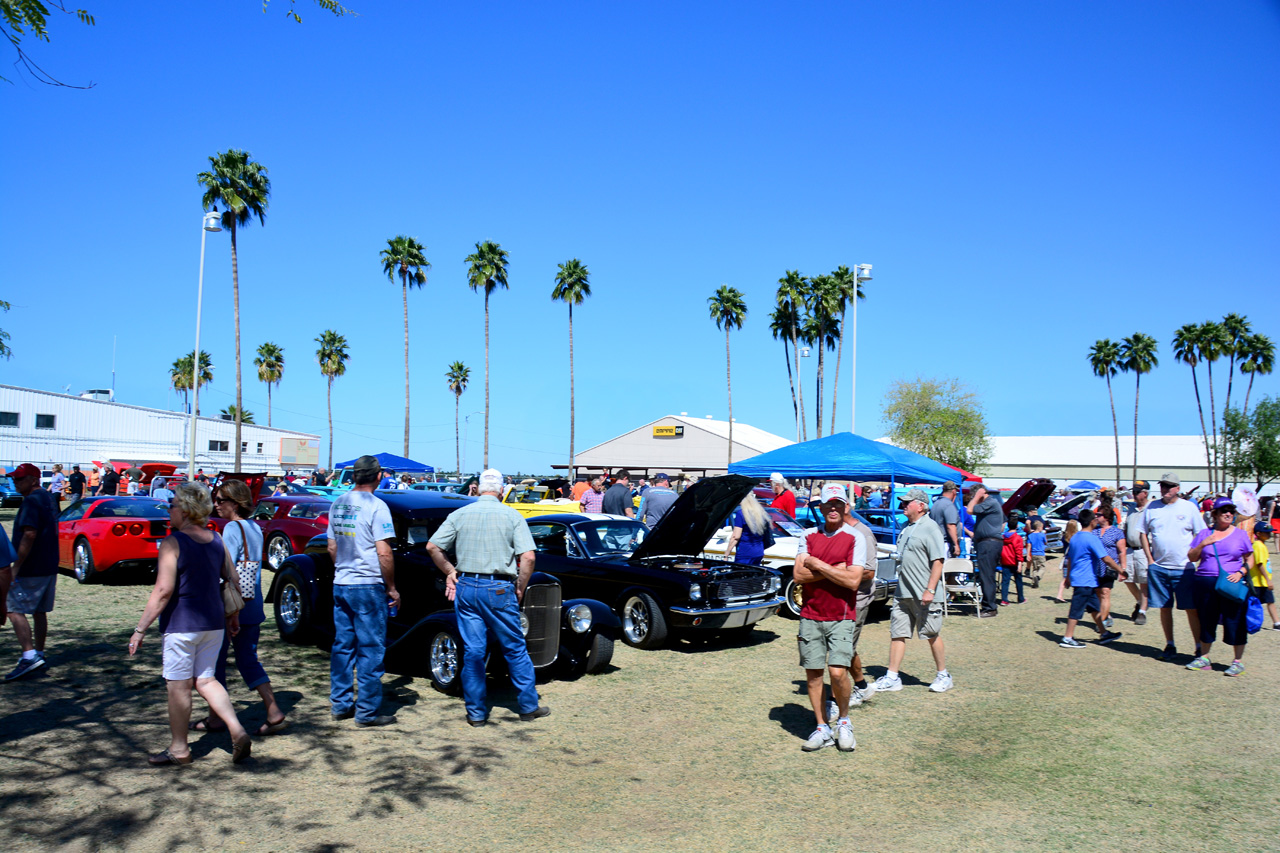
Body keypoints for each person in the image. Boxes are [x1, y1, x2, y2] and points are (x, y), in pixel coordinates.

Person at [126, 482, 252, 766]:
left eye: (172, 505)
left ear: (184, 509)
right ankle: (237, 729)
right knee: (207, 680)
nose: (169, 510)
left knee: (179, 687)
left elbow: (163, 591)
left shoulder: (173, 542)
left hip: (181, 626)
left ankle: (179, 749)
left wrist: (140, 629)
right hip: (213, 624)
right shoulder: (216, 540)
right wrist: (233, 617)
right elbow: (232, 579)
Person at [426, 468, 549, 726]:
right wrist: (521, 587)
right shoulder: (512, 515)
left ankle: (476, 713)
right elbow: (528, 557)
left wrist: (450, 571)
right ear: (502, 490)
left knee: (474, 651)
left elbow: (433, 546)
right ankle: (528, 706)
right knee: (515, 648)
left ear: (478, 489)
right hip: (499, 587)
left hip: (467, 585)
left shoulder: (459, 514)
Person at [192, 479, 287, 736]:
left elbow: (228, 570)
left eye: (221, 500)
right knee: (248, 660)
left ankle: (216, 717)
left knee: (216, 663)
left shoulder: (233, 528)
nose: (216, 505)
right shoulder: (254, 527)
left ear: (235, 503)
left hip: (232, 608)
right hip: (252, 605)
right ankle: (273, 709)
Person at [326, 455, 399, 727]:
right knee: (370, 649)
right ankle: (367, 712)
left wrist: (344, 569)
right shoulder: (377, 506)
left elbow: (332, 547)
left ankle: (340, 704)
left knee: (342, 646)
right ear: (378, 476)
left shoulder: (338, 503)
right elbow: (384, 552)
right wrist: (391, 587)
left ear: (354, 476)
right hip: (367, 585)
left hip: (342, 583)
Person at [792, 484, 862, 752]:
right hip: (810, 615)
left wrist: (817, 564)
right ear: (820, 508)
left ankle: (844, 722)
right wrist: (835, 568)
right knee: (813, 675)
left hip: (842, 615)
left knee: (837, 671)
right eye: (828, 504)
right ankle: (822, 727)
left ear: (846, 508)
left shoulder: (853, 537)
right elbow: (798, 576)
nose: (833, 508)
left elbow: (854, 580)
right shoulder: (808, 535)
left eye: (838, 504)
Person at [872, 489, 951, 694]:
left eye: (908, 502)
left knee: (931, 633)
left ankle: (943, 675)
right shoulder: (907, 527)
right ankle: (892, 677)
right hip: (903, 591)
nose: (903, 505)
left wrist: (930, 590)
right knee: (897, 633)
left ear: (921, 506)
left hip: (924, 593)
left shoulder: (930, 527)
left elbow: (938, 562)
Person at [1139, 473, 1206, 661]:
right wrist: (1150, 560)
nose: (1165, 490)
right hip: (1159, 568)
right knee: (1164, 607)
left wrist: (1197, 559)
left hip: (1184, 568)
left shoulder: (1189, 507)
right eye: (1162, 486)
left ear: (1177, 488)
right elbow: (1143, 533)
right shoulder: (1152, 507)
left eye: (1169, 486)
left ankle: (1199, 647)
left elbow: (1201, 535)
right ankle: (1170, 644)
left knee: (1191, 609)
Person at [4, 464, 61, 681]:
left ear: (34, 480)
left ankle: (29, 656)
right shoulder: (48, 498)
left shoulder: (31, 501)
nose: (16, 483)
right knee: (39, 611)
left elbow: (29, 534)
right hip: (49, 565)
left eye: (20, 479)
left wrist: (15, 567)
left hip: (32, 568)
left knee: (11, 608)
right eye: (15, 479)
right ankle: (39, 652)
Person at [1183, 498, 1252, 675]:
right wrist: (1203, 544)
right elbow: (1191, 557)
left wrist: (1241, 572)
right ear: (1215, 514)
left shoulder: (1240, 535)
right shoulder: (1205, 534)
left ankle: (1237, 662)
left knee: (1234, 620)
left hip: (1231, 584)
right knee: (1206, 619)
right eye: (1224, 511)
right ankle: (1204, 658)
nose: (1228, 514)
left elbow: (1249, 558)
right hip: (1204, 583)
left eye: (1231, 511)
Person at [1059, 509, 1123, 648]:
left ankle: (1104, 633)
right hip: (1085, 579)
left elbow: (1069, 559)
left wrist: (1068, 576)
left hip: (1084, 579)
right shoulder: (1092, 538)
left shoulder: (1075, 536)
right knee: (1076, 609)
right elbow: (1106, 558)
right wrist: (1120, 570)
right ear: (1092, 521)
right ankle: (1067, 638)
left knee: (1094, 607)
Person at [966, 485, 1004, 617]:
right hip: (986, 543)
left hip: (989, 543)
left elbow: (969, 510)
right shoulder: (991, 504)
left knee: (986, 576)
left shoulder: (990, 503)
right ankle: (988, 605)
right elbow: (1003, 522)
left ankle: (990, 608)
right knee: (986, 576)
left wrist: (977, 496)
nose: (972, 498)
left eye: (973, 495)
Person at [1122, 481, 1151, 625]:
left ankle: (1142, 612)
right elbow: (1126, 528)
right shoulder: (1131, 509)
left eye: (1137, 492)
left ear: (1145, 493)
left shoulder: (1150, 509)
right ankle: (1140, 601)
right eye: (1133, 492)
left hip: (1143, 550)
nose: (1134, 495)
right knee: (1127, 579)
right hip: (1130, 549)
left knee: (1144, 582)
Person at [1093, 510, 1126, 630]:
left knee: (1105, 592)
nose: (1096, 517)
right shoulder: (1094, 531)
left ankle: (1102, 621)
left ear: (1106, 517)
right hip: (1094, 567)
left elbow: (1122, 552)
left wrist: (1123, 569)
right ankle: (1105, 615)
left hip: (1109, 567)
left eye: (1099, 515)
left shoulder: (1117, 532)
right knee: (1097, 592)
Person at [724, 494, 772, 565]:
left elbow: (735, 537)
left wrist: (726, 554)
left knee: (739, 574)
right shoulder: (761, 513)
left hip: (745, 552)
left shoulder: (741, 514)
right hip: (759, 551)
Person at [1249, 522, 1279, 630]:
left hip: (1262, 581)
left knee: (1270, 601)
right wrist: (1268, 580)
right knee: (1253, 603)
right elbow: (1260, 563)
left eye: (1270, 532)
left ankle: (1276, 623)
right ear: (1258, 533)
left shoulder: (1261, 545)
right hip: (1259, 581)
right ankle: (1249, 622)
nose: (1269, 535)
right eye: (1266, 533)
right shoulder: (1258, 546)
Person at [929, 481, 961, 557]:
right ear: (953, 491)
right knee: (947, 567)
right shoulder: (948, 505)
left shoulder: (936, 503)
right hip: (946, 544)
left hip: (936, 541)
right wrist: (956, 544)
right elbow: (950, 525)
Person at [999, 519, 1025, 606]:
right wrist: (1020, 563)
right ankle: (1020, 598)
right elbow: (1019, 551)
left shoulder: (1003, 537)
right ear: (1017, 526)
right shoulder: (1017, 538)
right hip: (1014, 562)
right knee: (1018, 580)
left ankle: (1004, 599)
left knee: (1005, 581)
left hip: (1005, 561)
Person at [1056, 520, 1080, 602]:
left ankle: (1059, 595)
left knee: (1065, 578)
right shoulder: (1077, 537)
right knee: (1076, 578)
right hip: (1074, 559)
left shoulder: (1064, 537)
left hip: (1066, 559)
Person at [1026, 521, 1048, 588]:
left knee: (1035, 568)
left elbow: (1029, 545)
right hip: (1041, 553)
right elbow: (1046, 542)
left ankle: (1034, 583)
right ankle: (1038, 577)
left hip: (1033, 553)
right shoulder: (1042, 535)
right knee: (1042, 567)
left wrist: (1027, 555)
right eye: (1042, 527)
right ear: (1039, 527)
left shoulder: (1030, 536)